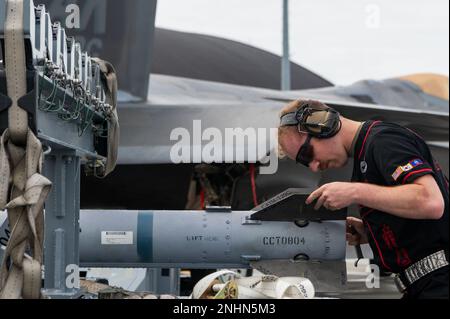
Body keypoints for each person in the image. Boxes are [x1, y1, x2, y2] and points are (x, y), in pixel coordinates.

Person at [278, 99, 449, 299]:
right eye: (304, 163)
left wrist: (354, 191)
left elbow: (431, 202)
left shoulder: (382, 140)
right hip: (427, 286)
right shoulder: (367, 153)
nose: (314, 166)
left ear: (323, 124)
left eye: (307, 154)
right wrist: (374, 231)